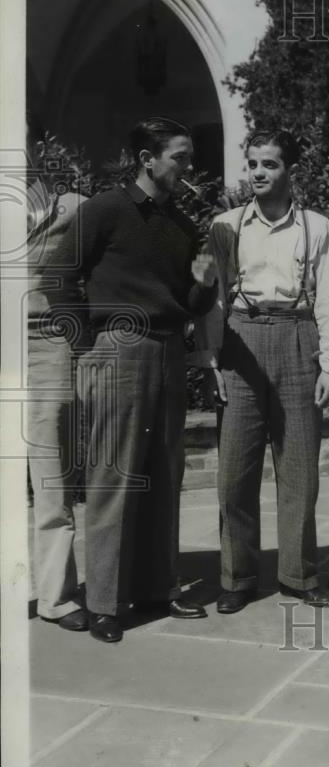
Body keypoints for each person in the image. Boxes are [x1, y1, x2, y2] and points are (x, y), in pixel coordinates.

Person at [55, 117, 218, 642]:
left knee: (165, 473)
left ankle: (156, 587)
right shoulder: (104, 209)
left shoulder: (181, 225)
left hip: (169, 349)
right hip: (117, 349)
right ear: (148, 159)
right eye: (180, 156)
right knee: (114, 475)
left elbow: (190, 305)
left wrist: (204, 286)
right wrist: (86, 344)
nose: (189, 167)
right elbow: (58, 277)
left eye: (189, 157)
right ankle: (104, 602)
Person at [193, 129, 329, 612]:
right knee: (235, 473)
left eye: (270, 164)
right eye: (253, 164)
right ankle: (237, 577)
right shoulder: (225, 224)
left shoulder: (316, 226)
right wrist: (209, 358)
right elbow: (213, 298)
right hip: (241, 341)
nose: (259, 173)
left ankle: (299, 574)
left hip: (298, 338)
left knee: (300, 469)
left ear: (291, 170)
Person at [26, 119, 89, 631]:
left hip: (46, 344)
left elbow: (110, 260)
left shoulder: (68, 206)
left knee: (50, 476)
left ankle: (55, 595)